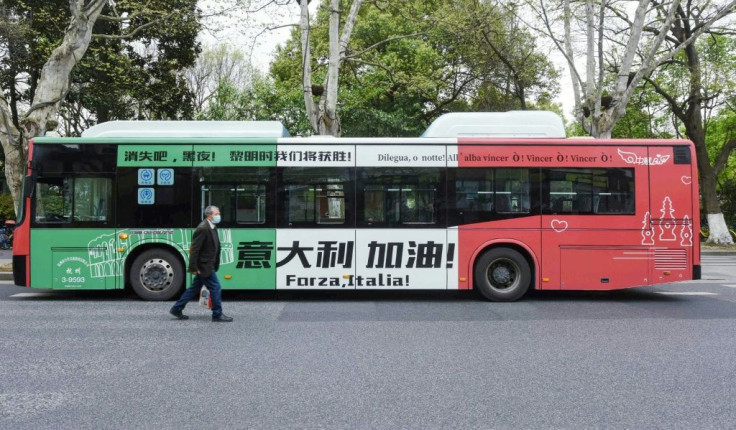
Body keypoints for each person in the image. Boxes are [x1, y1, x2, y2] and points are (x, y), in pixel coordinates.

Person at [169, 205, 233, 322]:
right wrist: (194, 267)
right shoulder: (203, 228)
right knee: (216, 287)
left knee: (194, 288)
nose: (219, 216)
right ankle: (217, 314)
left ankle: (176, 308)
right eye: (216, 214)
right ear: (209, 215)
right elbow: (195, 249)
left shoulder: (212, 226)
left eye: (218, 214)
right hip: (204, 265)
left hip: (208, 263)